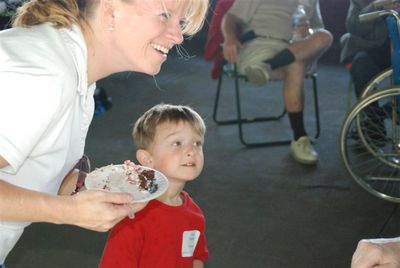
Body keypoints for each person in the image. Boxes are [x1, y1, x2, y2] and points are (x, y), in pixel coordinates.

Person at [0, 0, 208, 266]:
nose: (178, 35)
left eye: (179, 22)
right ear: (110, 9)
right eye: (165, 16)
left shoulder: (75, 69)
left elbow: (28, 167)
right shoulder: (45, 75)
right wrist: (68, 212)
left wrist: (89, 187)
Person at [221, 0, 332, 165]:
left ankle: (267, 67)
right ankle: (300, 137)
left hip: (297, 46)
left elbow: (317, 28)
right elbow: (230, 17)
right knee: (296, 65)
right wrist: (230, 37)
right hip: (260, 44)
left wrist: (308, 30)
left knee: (324, 36)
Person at [99, 104, 209, 268]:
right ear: (147, 159)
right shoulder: (133, 216)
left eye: (197, 143)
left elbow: (196, 258)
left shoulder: (194, 214)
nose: (191, 151)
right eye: (177, 143)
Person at [340, 0, 400, 142]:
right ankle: (373, 123)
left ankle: (387, 111)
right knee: (361, 64)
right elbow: (353, 26)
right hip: (373, 48)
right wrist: (376, 7)